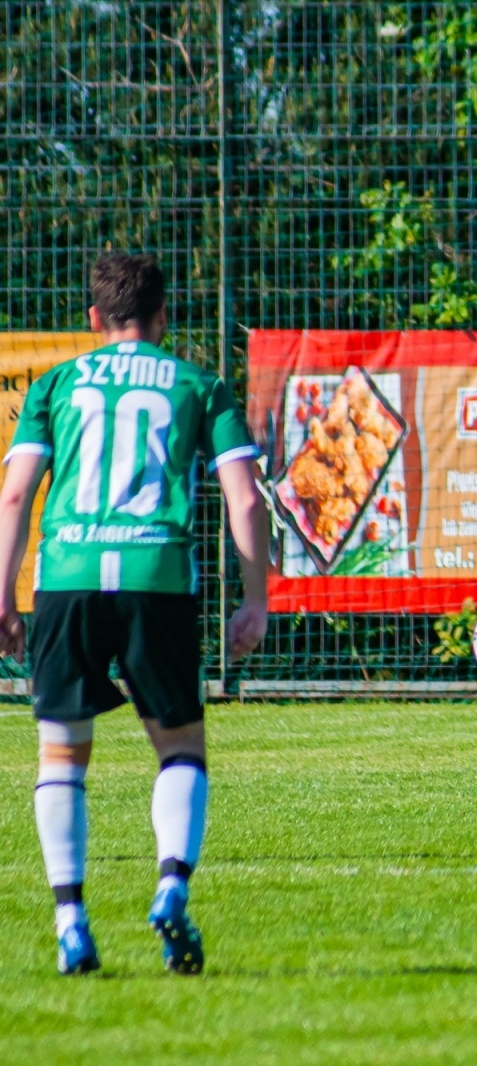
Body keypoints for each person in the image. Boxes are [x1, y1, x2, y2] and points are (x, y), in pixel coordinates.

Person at [0, 253, 269, 974]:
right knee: (180, 748)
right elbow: (245, 500)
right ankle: (172, 885)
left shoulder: (54, 384)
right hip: (157, 576)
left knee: (62, 755)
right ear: (164, 315)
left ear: (94, 318)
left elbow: (15, 496)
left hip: (70, 577)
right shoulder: (199, 385)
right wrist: (254, 599)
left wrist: (1, 595)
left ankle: (70, 922)